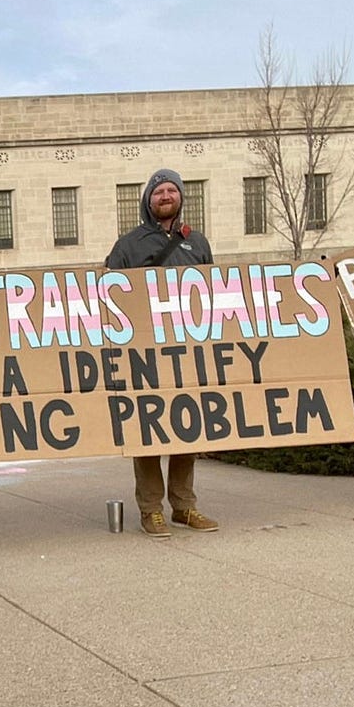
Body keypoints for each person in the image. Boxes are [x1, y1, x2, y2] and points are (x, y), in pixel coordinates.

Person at [106, 169, 220, 539]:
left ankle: (184, 507)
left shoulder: (197, 242)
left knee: (188, 429)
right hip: (144, 355)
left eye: (172, 190)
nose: (166, 196)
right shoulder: (128, 245)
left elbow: (214, 293)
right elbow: (107, 297)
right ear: (148, 200)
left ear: (181, 197)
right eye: (158, 191)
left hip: (188, 352)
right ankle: (151, 510)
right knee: (148, 432)